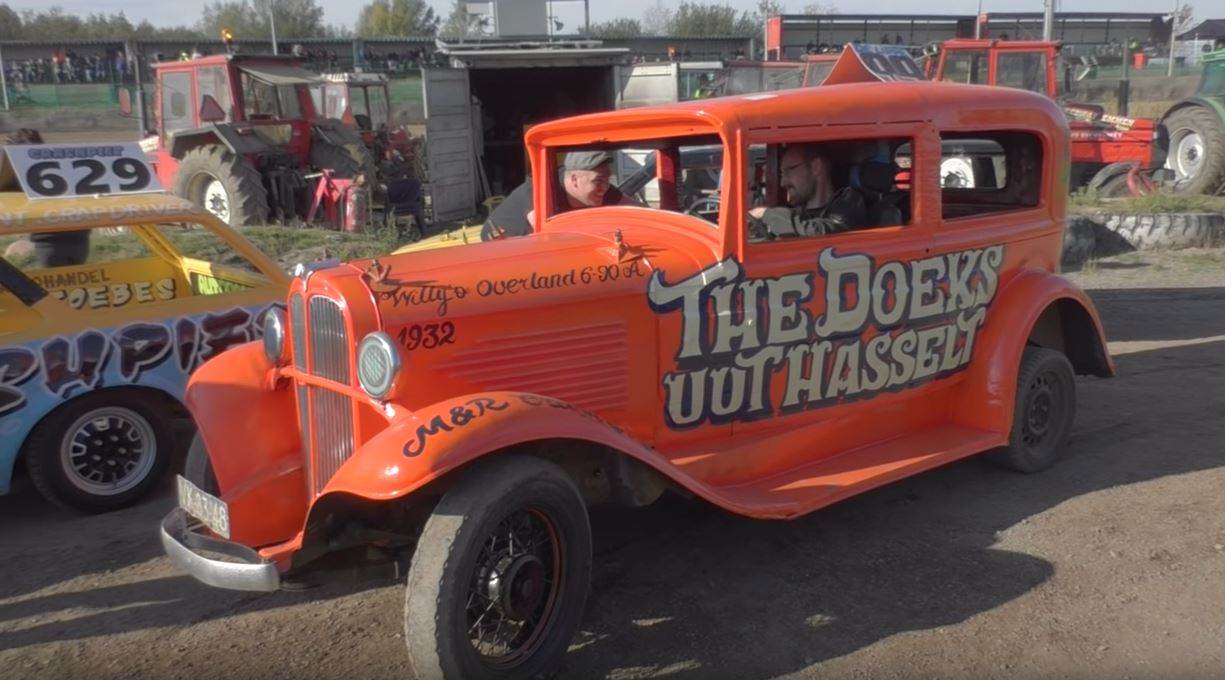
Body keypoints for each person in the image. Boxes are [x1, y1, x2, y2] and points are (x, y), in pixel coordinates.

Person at [480, 150, 638, 241]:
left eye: (607, 180)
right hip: (505, 244)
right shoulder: (539, 188)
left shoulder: (599, 186)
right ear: (574, 180)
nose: (605, 188)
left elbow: (637, 209)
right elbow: (547, 234)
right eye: (598, 181)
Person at [747, 143, 867, 240]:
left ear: (816, 167)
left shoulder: (849, 201)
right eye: (782, 174)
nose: (783, 183)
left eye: (789, 171)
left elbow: (825, 233)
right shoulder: (798, 214)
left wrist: (767, 214)